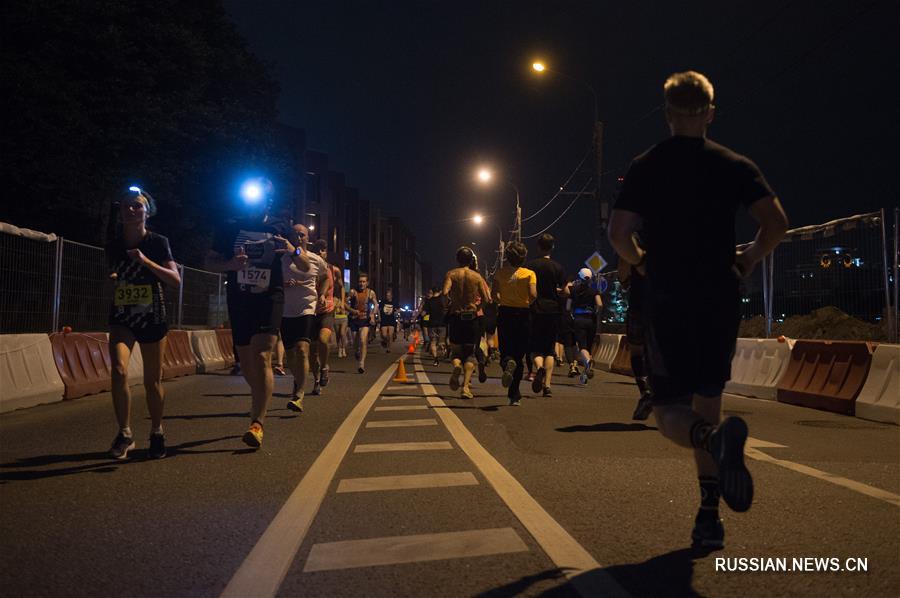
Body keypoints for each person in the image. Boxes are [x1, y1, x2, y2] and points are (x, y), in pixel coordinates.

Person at [609, 70, 788, 548]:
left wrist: (641, 262)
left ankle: (712, 441)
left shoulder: (646, 166)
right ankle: (708, 515)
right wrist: (747, 258)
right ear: (711, 113)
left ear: (667, 114)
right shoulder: (734, 164)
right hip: (719, 296)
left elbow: (618, 234)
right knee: (709, 399)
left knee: (671, 409)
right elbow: (776, 223)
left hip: (668, 296)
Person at [207, 183, 308, 449]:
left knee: (263, 355)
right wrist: (230, 264)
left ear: (269, 201)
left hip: (270, 297)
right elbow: (209, 261)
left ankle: (257, 423)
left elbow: (306, 264)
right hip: (240, 300)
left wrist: (291, 249)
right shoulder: (230, 225)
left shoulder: (280, 227)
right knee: (247, 362)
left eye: (261, 198)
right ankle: (260, 394)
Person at [106, 187, 181, 460]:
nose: (131, 210)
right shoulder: (113, 242)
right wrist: (112, 280)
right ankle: (124, 433)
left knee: (152, 381)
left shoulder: (158, 242)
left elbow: (175, 280)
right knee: (118, 369)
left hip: (152, 316)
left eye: (137, 206)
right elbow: (110, 275)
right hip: (122, 316)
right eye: (127, 205)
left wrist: (145, 261)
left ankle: (157, 431)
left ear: (147, 212)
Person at [281, 225, 328, 411]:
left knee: (302, 350)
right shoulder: (282, 258)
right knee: (291, 355)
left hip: (307, 309)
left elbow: (325, 278)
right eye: (295, 234)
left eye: (302, 234)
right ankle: (298, 378)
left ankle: (299, 395)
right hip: (285, 310)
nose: (298, 237)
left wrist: (322, 294)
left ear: (307, 238)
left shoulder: (316, 260)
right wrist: (283, 283)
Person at [491, 241, 536, 406]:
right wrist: (526, 302)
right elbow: (533, 294)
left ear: (508, 258)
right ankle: (514, 395)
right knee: (520, 356)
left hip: (505, 313)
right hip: (524, 314)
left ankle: (506, 363)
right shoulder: (530, 274)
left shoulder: (500, 273)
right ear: (523, 257)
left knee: (506, 350)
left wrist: (503, 299)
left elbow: (493, 294)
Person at [443, 247, 491, 399]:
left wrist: (450, 304)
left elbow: (445, 293)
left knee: (456, 352)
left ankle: (457, 366)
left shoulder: (451, 274)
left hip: (456, 316)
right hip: (471, 318)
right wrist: (477, 308)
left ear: (457, 259)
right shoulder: (476, 277)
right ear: (471, 260)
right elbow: (487, 298)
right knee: (470, 354)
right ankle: (465, 387)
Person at [526, 233, 567, 398]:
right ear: (553, 247)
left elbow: (528, 290)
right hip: (553, 311)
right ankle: (548, 386)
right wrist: (557, 291)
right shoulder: (558, 268)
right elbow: (565, 291)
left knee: (535, 348)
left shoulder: (530, 266)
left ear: (538, 246)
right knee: (550, 349)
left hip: (535, 310)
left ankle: (539, 369)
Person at [619, 250, 655, 421]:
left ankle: (645, 391)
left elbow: (623, 277)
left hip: (639, 304)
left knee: (637, 351)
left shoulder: (633, 238)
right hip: (668, 304)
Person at [309, 239, 341, 394]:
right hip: (310, 312)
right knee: (312, 351)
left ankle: (324, 367)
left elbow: (340, 285)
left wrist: (338, 300)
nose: (320, 252)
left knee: (323, 339)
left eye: (322, 250)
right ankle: (316, 381)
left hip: (327, 310)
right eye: (317, 250)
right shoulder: (307, 267)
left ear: (326, 252)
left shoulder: (333, 270)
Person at [567, 268, 602, 384]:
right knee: (589, 347)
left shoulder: (574, 290)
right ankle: (584, 376)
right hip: (591, 320)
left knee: (582, 347)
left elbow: (568, 307)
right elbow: (600, 304)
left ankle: (587, 362)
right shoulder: (594, 290)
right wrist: (595, 312)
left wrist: (572, 313)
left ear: (580, 277)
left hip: (579, 319)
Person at [347, 272, 377, 373]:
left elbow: (376, 304)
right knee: (355, 342)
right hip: (354, 319)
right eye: (360, 282)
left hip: (365, 319)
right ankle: (357, 351)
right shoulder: (353, 292)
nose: (361, 284)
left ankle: (361, 364)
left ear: (367, 283)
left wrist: (372, 314)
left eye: (364, 282)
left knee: (363, 340)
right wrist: (352, 310)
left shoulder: (371, 293)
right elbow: (345, 303)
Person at [420, 286, 448, 366]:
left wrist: (420, 316)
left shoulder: (429, 301)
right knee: (442, 341)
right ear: (440, 291)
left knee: (433, 342)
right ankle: (444, 349)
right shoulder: (443, 300)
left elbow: (423, 313)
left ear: (433, 291)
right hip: (442, 324)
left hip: (431, 324)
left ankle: (436, 360)